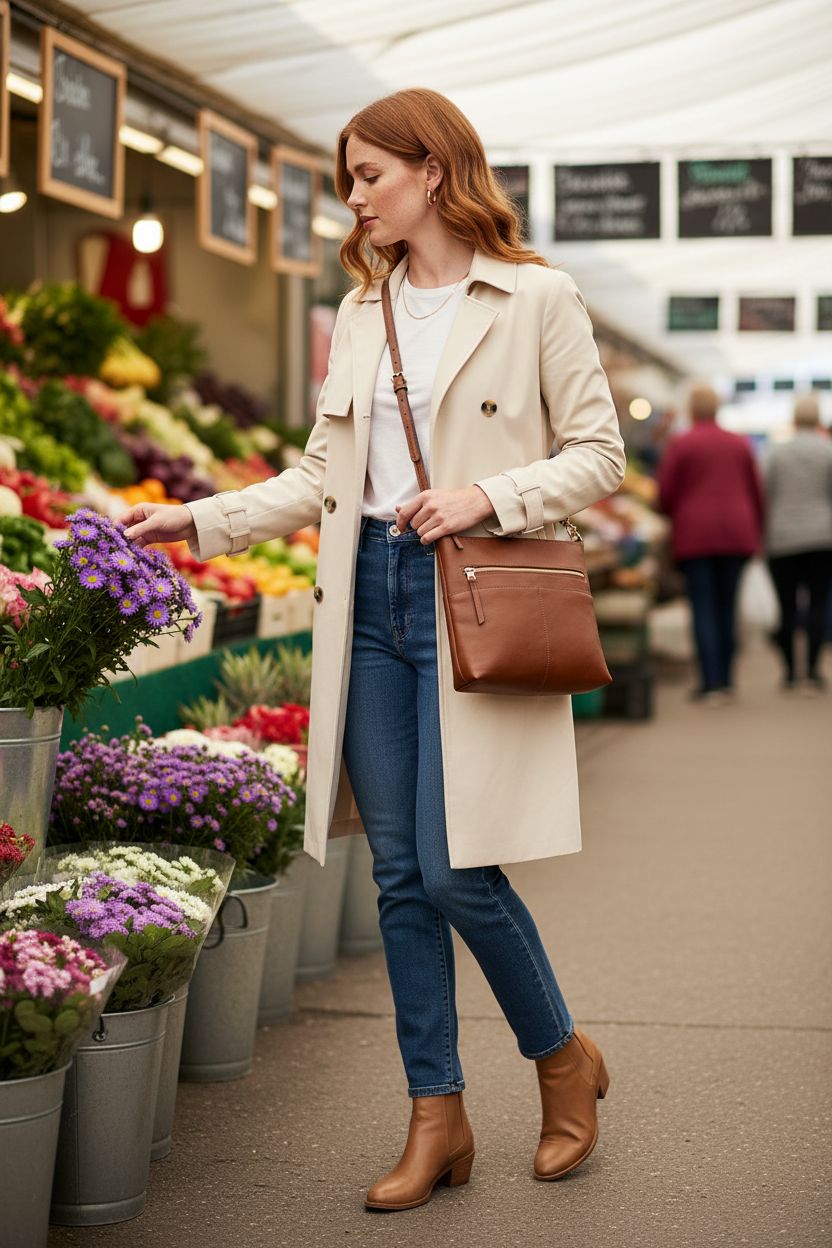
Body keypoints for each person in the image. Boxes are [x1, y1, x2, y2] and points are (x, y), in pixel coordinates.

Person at [121, 88, 625, 1211]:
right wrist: (197, 521)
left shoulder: (537, 297)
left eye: (368, 175)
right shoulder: (363, 310)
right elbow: (321, 475)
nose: (353, 197)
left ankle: (561, 1057)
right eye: (348, 178)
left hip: (470, 592)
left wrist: (486, 496)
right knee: (398, 875)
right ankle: (436, 1116)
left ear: (432, 170)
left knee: (455, 869)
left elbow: (599, 455)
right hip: (369, 597)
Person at [658, 385, 764, 702]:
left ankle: (710, 682)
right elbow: (756, 491)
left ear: (691, 410)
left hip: (695, 535)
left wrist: (674, 512)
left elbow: (665, 493)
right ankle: (728, 679)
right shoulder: (740, 443)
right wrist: (757, 533)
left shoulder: (682, 443)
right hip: (737, 533)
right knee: (728, 607)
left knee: (703, 606)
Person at [764, 394, 832, 692]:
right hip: (822, 536)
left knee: (787, 606)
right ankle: (814, 670)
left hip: (782, 538)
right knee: (818, 603)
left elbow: (765, 491)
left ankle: (791, 671)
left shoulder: (777, 452)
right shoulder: (827, 451)